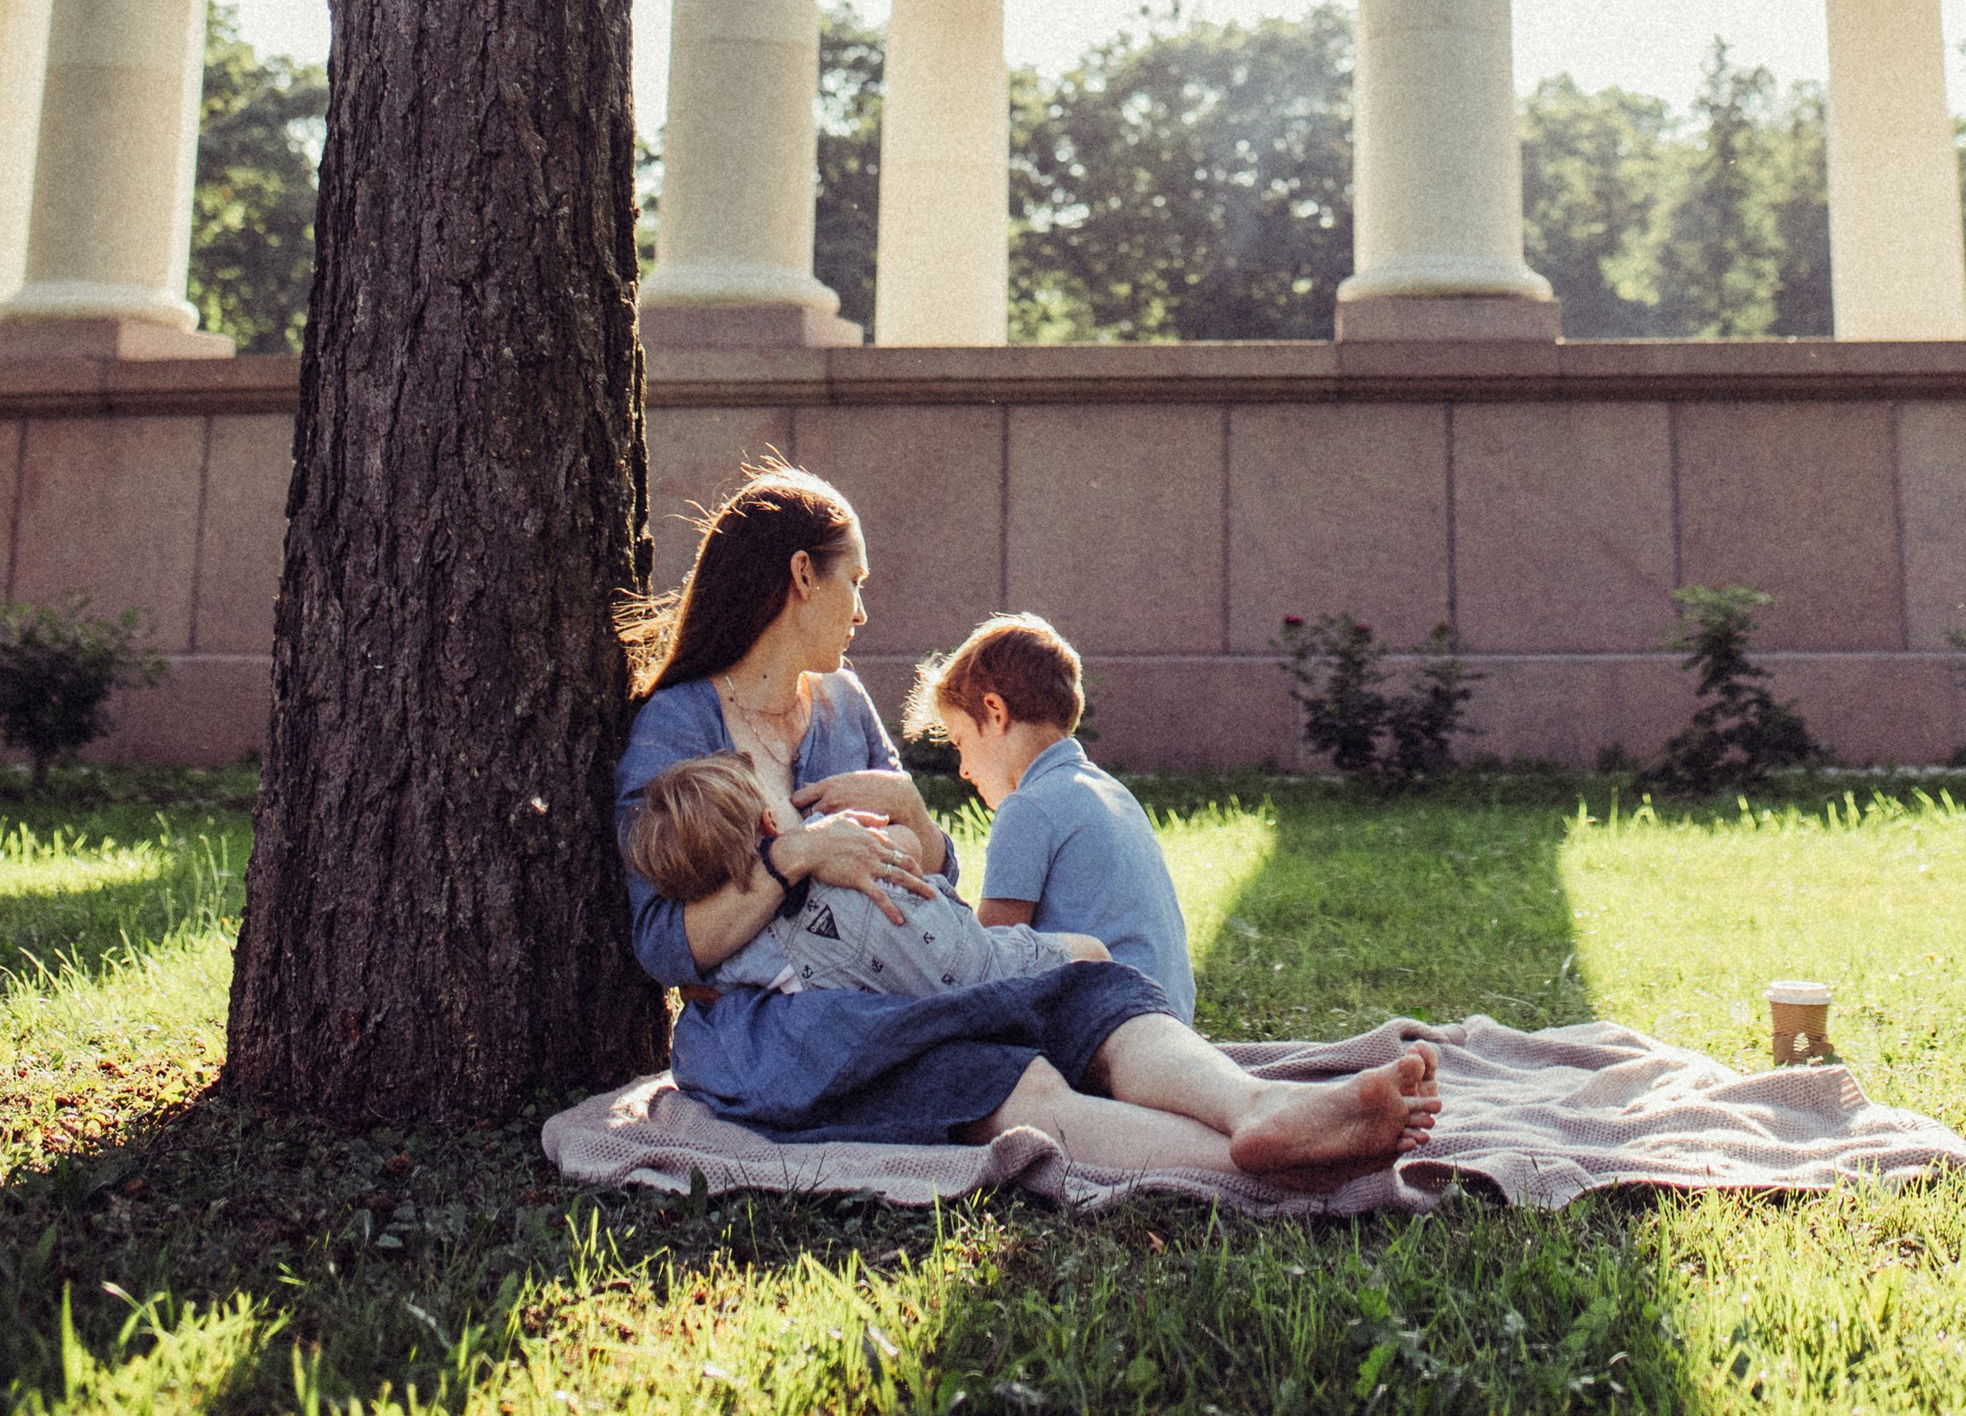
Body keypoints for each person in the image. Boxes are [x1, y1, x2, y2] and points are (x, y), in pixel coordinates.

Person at [617, 465, 1440, 1173]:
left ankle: (1258, 1107)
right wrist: (794, 858)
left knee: (1093, 984)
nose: (861, 611)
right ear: (803, 575)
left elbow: (933, 873)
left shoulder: (842, 702)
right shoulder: (677, 724)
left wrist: (920, 826)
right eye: (855, 581)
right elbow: (662, 944)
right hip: (788, 1026)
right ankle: (1263, 1162)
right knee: (1009, 1079)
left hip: (917, 967)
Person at [622, 744, 1113, 1001]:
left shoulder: (735, 956)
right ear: (770, 821)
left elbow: (708, 990)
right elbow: (909, 847)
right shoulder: (827, 838)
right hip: (980, 963)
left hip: (910, 1010)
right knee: (1091, 954)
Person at [904, 614, 1197, 1021]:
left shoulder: (1028, 808)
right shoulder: (1112, 793)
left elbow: (988, 965)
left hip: (1108, 1022)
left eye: (960, 742)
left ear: (995, 711)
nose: (964, 770)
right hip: (1168, 1018)